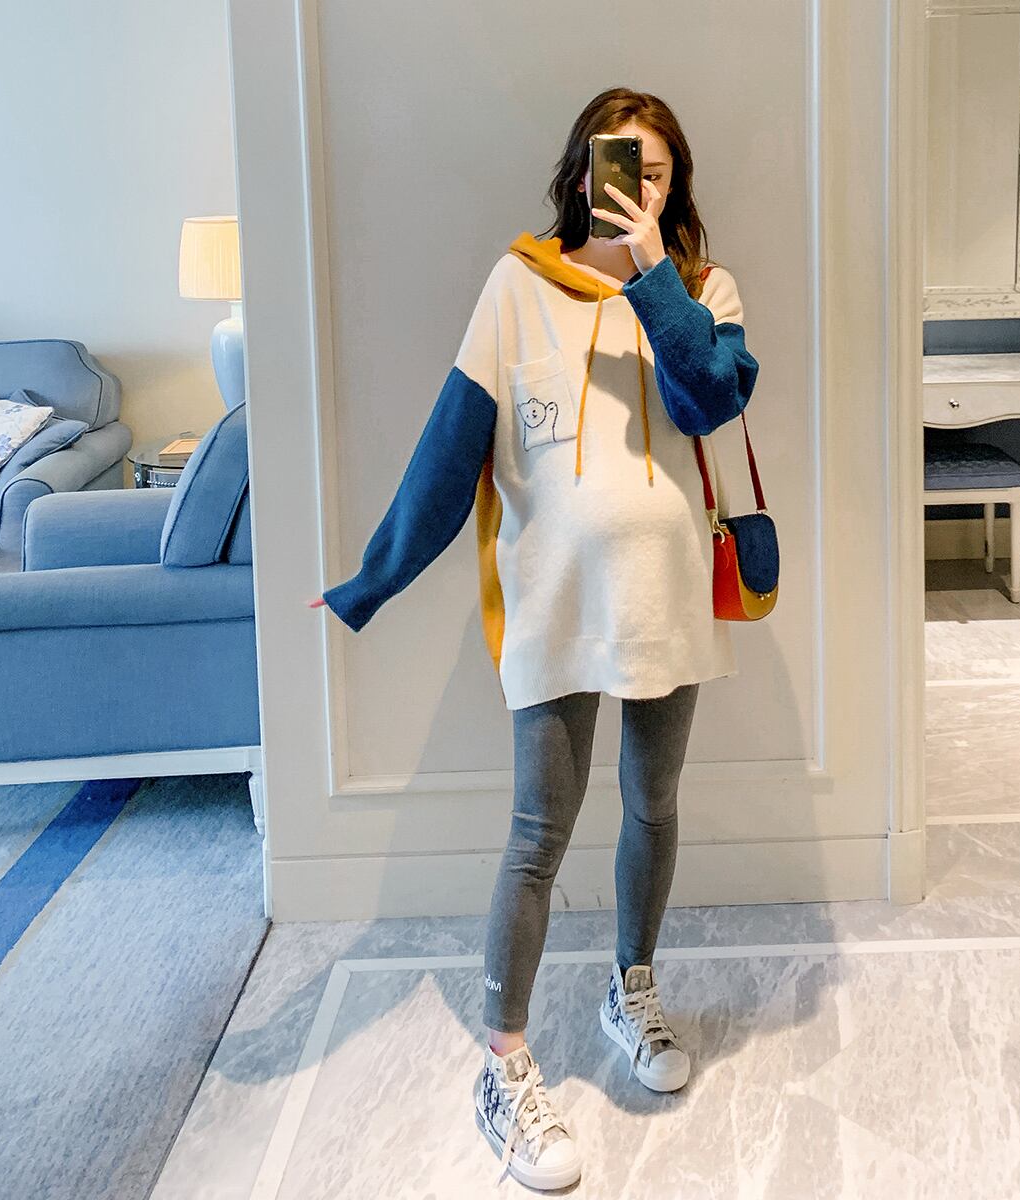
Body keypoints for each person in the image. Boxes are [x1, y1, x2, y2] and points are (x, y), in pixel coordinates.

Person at [309, 86, 759, 1191]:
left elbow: (712, 401)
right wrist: (372, 579)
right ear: (580, 173)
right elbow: (451, 445)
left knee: (653, 803)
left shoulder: (703, 291)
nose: (636, 187)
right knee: (536, 836)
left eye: (656, 172)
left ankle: (630, 988)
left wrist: (652, 274)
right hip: (556, 605)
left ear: (675, 188)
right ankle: (504, 1062)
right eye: (620, 166)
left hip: (667, 598)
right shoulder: (516, 288)